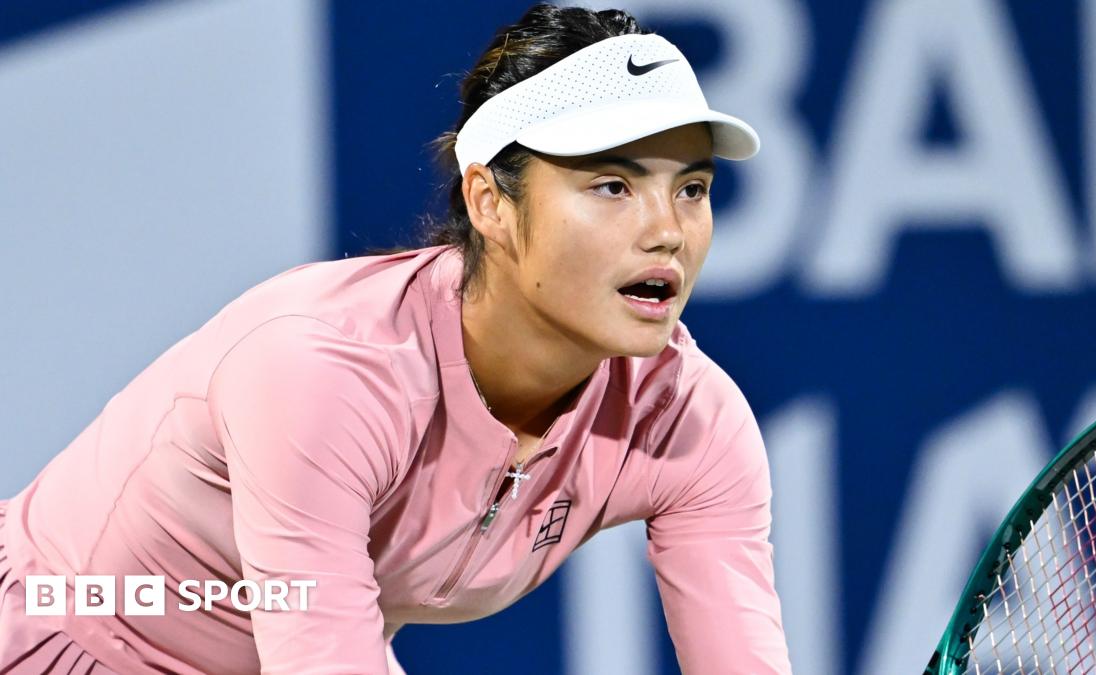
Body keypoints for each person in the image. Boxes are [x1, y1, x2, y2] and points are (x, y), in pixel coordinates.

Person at [0, 4, 791, 673]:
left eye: (692, 188)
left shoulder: (693, 421)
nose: (668, 231)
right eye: (612, 186)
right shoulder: (324, 370)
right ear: (488, 201)